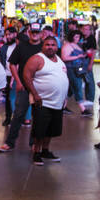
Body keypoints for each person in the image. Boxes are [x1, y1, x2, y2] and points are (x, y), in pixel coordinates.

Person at [24, 35, 69, 166]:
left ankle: (45, 150)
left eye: (53, 45)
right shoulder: (37, 58)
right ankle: (36, 153)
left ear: (57, 47)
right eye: (47, 45)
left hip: (57, 102)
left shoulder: (59, 60)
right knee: (40, 130)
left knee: (50, 130)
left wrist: (64, 96)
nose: (50, 47)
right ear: (42, 46)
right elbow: (26, 76)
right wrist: (35, 94)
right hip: (42, 102)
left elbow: (63, 78)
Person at [0, 22, 43, 153]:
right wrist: (18, 81)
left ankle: (34, 143)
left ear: (40, 33)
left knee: (39, 116)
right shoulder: (22, 47)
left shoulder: (44, 47)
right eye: (32, 32)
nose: (34, 35)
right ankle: (10, 142)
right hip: (24, 86)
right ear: (29, 33)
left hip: (40, 87)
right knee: (18, 114)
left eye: (37, 32)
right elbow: (12, 64)